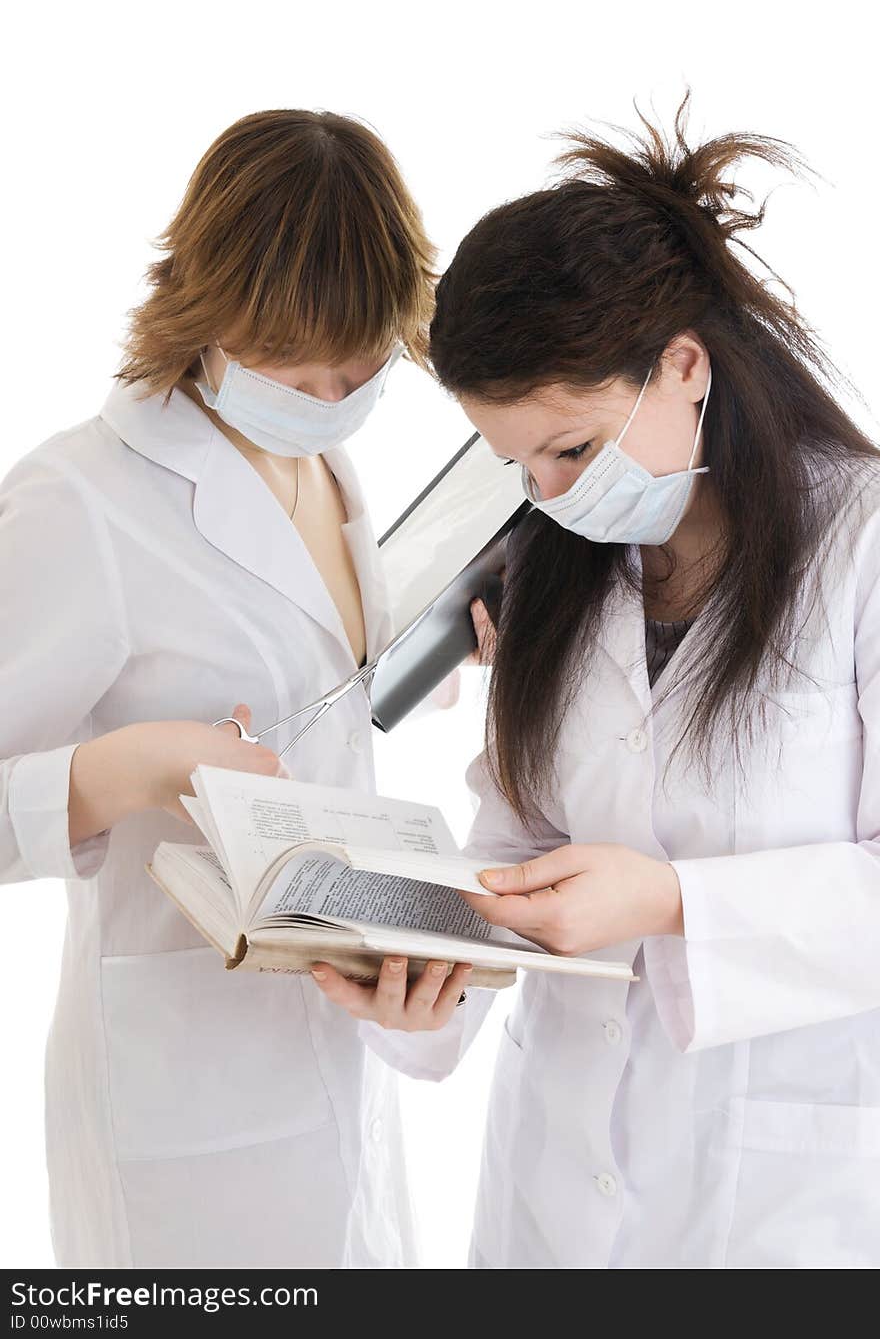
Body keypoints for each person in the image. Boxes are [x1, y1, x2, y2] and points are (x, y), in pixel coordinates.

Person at [313, 98, 880, 1268]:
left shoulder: (861, 544)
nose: (550, 491)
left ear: (683, 365)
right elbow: (520, 838)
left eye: (571, 448)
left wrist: (671, 902)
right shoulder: (557, 568)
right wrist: (438, 978)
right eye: (514, 462)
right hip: (549, 1198)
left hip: (779, 1202)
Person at [0, 108, 437, 1268]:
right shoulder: (79, 503)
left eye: (360, 368)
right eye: (296, 366)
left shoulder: (322, 462)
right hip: (181, 1092)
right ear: (208, 309)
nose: (329, 392)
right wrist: (120, 769)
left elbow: (306, 690)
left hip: (334, 1044)